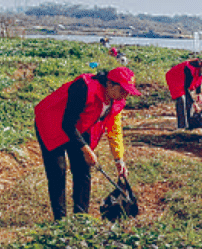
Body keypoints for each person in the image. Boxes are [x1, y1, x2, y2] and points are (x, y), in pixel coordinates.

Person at [34, 66, 141, 220]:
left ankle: (81, 219)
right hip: (51, 122)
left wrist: (119, 160)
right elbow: (67, 124)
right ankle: (60, 221)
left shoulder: (116, 100)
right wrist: (86, 149)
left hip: (78, 126)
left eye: (128, 92)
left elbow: (114, 129)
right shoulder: (84, 87)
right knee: (58, 171)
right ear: (110, 84)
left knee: (82, 170)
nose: (125, 95)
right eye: (123, 90)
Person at [165, 56, 202, 129]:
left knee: (189, 103)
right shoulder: (189, 69)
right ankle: (182, 126)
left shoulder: (200, 68)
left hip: (185, 81)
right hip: (175, 78)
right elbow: (186, 87)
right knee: (181, 100)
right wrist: (194, 102)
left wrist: (198, 94)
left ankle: (189, 124)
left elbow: (198, 81)